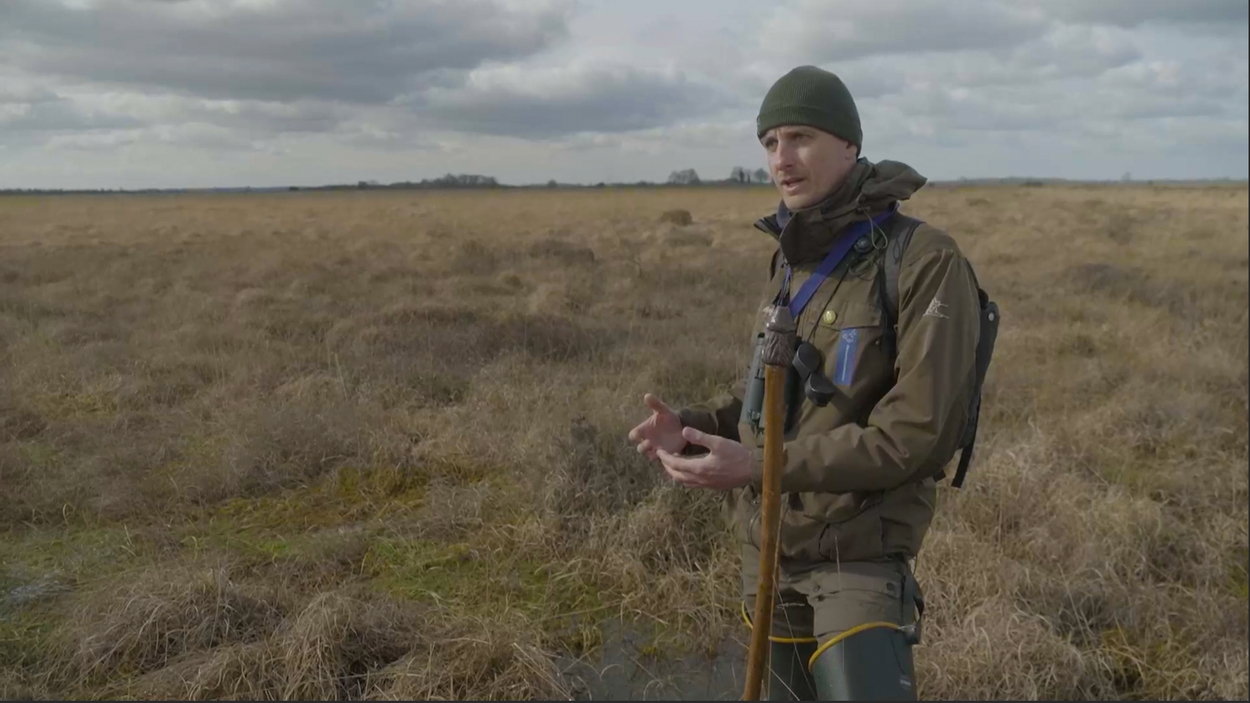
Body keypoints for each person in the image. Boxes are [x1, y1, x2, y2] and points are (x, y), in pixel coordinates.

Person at [628, 65, 985, 700]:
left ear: (849, 143)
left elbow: (916, 436)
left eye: (800, 137)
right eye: (769, 143)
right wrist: (693, 428)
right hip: (769, 553)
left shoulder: (925, 259)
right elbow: (773, 403)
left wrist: (762, 467)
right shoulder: (791, 259)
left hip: (860, 556)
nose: (781, 159)